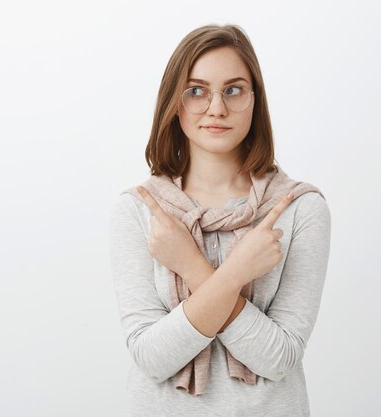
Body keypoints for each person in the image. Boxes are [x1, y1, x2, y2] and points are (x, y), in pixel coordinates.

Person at [109, 24, 331, 417]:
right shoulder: (140, 209)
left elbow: (278, 358)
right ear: (174, 104)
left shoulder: (300, 208)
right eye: (196, 91)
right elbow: (152, 358)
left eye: (233, 89)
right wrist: (235, 273)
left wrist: (192, 266)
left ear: (254, 100)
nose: (216, 108)